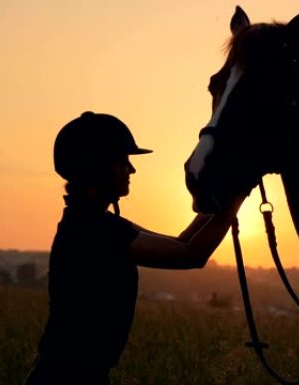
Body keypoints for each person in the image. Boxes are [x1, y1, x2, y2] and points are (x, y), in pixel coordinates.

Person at [23, 111, 243, 385]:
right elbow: (192, 254)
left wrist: (222, 198)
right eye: (122, 162)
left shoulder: (91, 223)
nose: (132, 169)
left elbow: (182, 241)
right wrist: (238, 193)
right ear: (96, 169)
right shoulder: (96, 230)